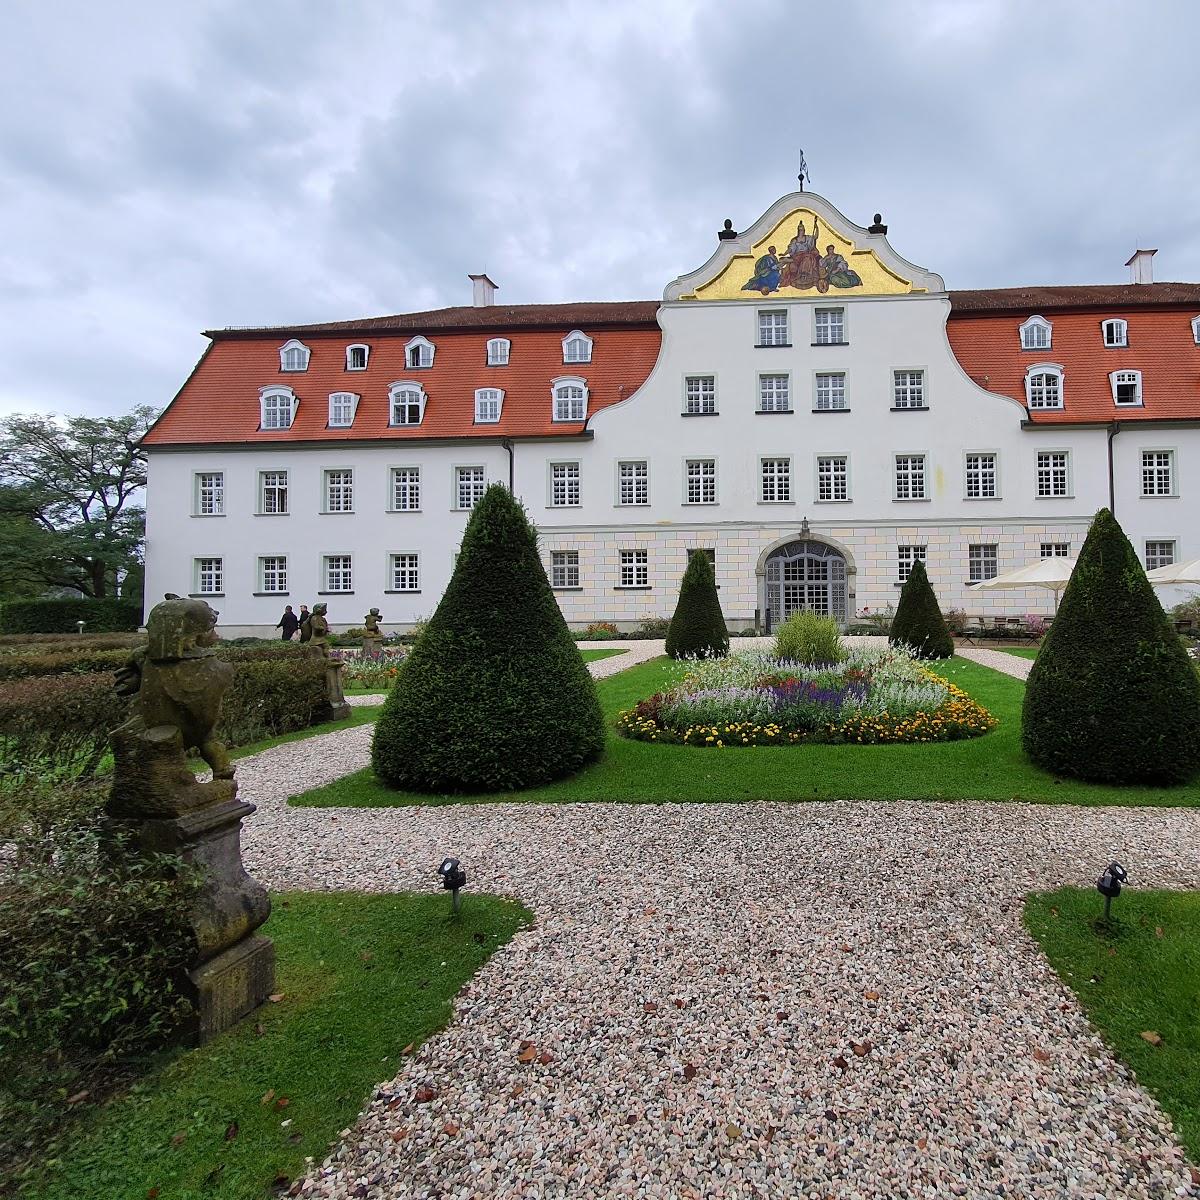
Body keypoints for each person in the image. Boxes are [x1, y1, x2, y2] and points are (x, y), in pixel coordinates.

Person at [780, 219, 820, 290]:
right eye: (800, 230)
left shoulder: (808, 238)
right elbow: (791, 249)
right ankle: (790, 262)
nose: (802, 231)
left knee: (807, 258)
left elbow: (815, 237)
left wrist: (816, 227)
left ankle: (805, 274)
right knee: (804, 258)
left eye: (803, 230)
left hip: (806, 254)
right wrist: (784, 253)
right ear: (798, 231)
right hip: (798, 255)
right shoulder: (795, 240)